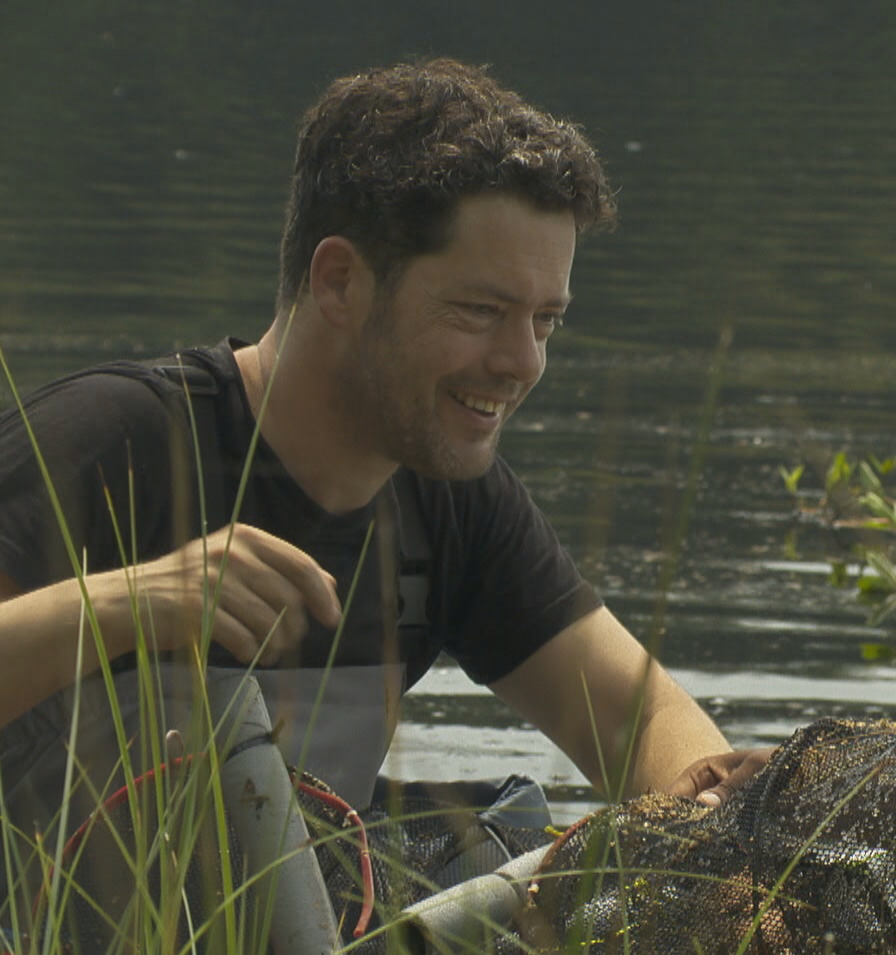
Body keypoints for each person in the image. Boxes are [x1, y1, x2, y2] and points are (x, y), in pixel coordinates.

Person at [0, 60, 768, 850]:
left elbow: (633, 714)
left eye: (544, 321)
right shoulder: (109, 442)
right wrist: (128, 603)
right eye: (481, 310)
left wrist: (713, 812)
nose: (522, 363)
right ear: (338, 281)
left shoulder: (453, 500)